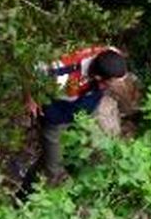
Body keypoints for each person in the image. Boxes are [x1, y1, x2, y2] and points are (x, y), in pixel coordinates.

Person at [22, 45, 130, 186]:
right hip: (57, 116)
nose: (115, 86)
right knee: (53, 169)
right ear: (98, 78)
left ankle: (43, 166)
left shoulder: (110, 55)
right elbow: (29, 72)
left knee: (102, 145)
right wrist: (29, 98)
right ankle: (28, 189)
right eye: (111, 83)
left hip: (84, 107)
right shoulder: (60, 73)